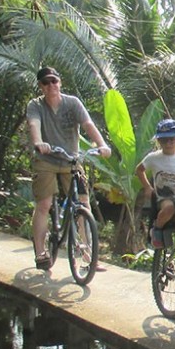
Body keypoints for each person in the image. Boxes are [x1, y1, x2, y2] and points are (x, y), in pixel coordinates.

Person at [27, 66, 111, 270]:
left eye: (54, 81)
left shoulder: (72, 103)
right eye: (46, 83)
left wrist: (102, 144)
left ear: (60, 82)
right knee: (44, 204)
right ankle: (40, 252)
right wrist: (39, 142)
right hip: (46, 159)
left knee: (83, 203)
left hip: (70, 160)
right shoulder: (35, 105)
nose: (51, 86)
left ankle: (89, 256)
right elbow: (34, 125)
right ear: (40, 86)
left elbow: (88, 125)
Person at [136, 118, 175, 249]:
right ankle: (156, 228)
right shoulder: (153, 157)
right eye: (164, 140)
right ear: (158, 141)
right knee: (169, 208)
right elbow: (139, 170)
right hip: (164, 196)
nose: (168, 143)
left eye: (172, 139)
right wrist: (147, 187)